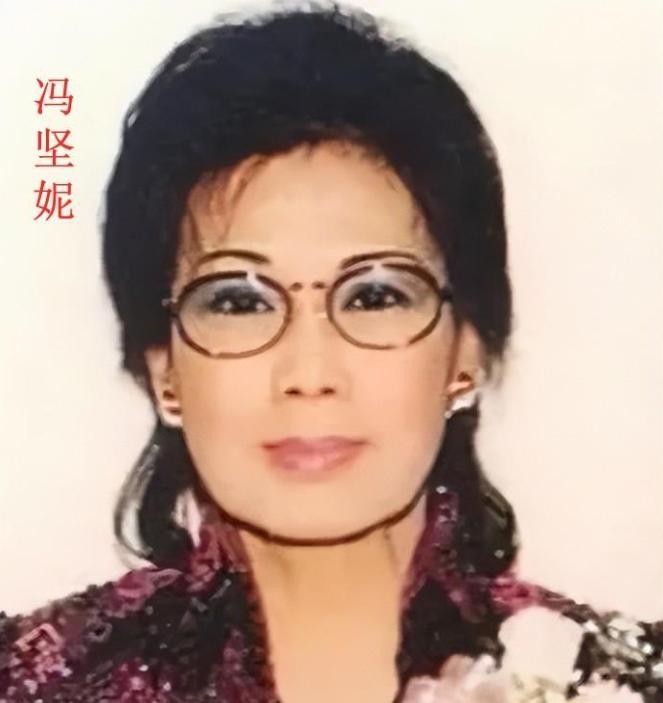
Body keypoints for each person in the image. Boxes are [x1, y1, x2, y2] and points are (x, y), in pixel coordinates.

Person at [1, 3, 661, 702]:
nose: (309, 373)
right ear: (163, 367)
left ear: (466, 349)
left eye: (374, 296)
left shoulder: (619, 683)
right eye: (239, 302)